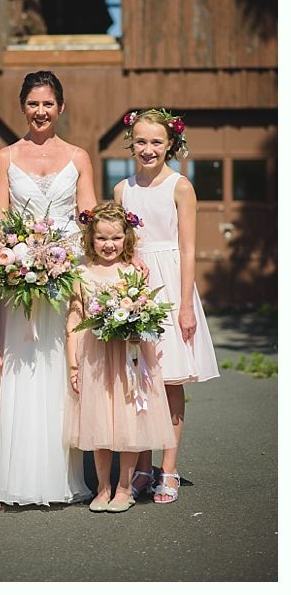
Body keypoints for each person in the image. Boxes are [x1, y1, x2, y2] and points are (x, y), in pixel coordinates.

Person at [0, 70, 94, 505]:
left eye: (48, 104)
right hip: (18, 279)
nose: (40, 112)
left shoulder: (80, 157)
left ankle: (60, 474)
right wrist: (19, 258)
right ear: (21, 107)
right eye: (32, 104)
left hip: (64, 277)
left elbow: (88, 218)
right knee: (18, 367)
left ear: (61, 107)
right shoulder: (4, 156)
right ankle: (9, 473)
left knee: (62, 368)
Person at [115, 108, 219, 503]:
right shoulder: (123, 190)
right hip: (137, 287)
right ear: (132, 143)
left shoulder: (180, 186)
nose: (148, 149)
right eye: (141, 141)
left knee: (170, 379)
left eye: (156, 142)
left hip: (172, 285)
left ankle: (169, 468)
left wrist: (186, 305)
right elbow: (122, 244)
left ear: (170, 144)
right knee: (138, 380)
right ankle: (142, 466)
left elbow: (189, 248)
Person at [64, 202, 177, 512]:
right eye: (101, 238)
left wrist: (139, 329)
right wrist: (73, 363)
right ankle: (102, 487)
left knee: (129, 422)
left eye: (115, 238)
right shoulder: (81, 272)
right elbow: (75, 318)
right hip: (95, 359)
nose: (108, 245)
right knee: (97, 423)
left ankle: (124, 488)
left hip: (129, 356)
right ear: (90, 238)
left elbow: (145, 312)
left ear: (127, 237)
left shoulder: (133, 271)